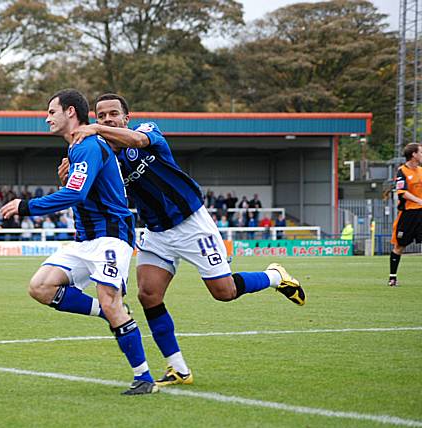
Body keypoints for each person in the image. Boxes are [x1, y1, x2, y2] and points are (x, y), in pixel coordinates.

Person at [67, 93, 306, 387]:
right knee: (148, 295)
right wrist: (68, 174)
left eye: (112, 114)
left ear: (126, 118)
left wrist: (96, 130)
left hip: (192, 223)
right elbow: (87, 189)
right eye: (100, 116)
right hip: (156, 232)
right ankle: (178, 368)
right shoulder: (102, 154)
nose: (106, 120)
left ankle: (274, 276)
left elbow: (138, 142)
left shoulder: (147, 132)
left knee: (224, 291)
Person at [0, 89, 157, 395]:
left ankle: (144, 379)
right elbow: (82, 190)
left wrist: (26, 207)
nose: (47, 118)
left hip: (111, 236)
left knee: (112, 304)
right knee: (41, 287)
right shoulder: (77, 148)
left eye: (51, 112)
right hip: (85, 239)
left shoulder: (87, 144)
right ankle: (109, 310)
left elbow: (76, 194)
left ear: (70, 112)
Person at [389, 142, 422, 286]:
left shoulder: (421, 170)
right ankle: (392, 278)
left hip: (421, 213)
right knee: (399, 246)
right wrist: (419, 200)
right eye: (420, 152)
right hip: (408, 214)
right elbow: (402, 192)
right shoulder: (402, 171)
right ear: (413, 155)